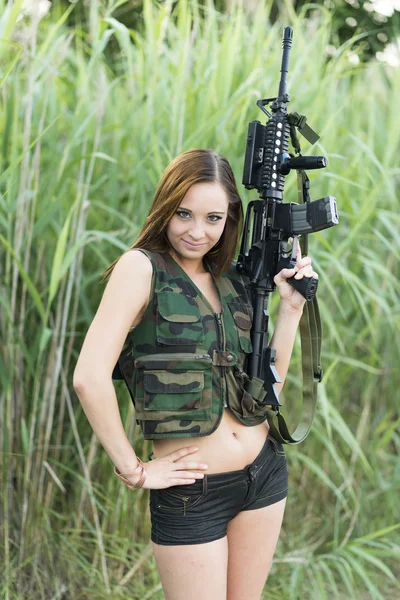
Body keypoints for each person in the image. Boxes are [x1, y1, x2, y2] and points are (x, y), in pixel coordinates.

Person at [73, 148, 318, 600]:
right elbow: (88, 377)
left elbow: (267, 386)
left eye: (213, 218)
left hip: (263, 474)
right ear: (166, 206)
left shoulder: (233, 280)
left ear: (229, 221)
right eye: (184, 213)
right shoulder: (141, 269)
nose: (197, 231)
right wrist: (135, 470)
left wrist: (290, 309)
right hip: (193, 492)